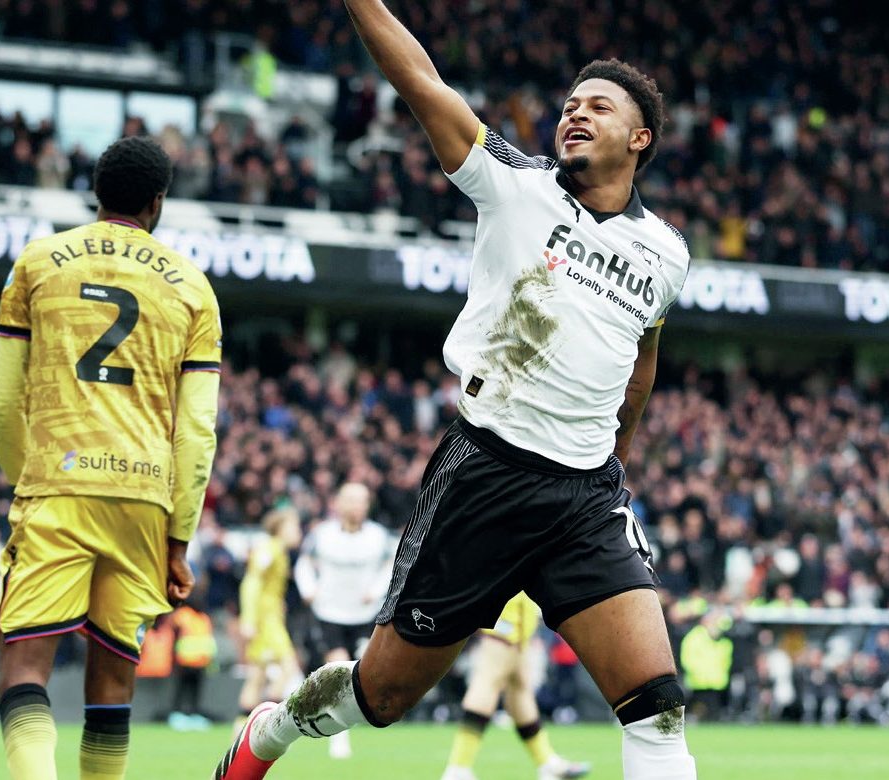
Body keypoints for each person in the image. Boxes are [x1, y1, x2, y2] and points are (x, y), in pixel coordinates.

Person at [215, 1, 695, 777]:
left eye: (597, 107)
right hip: (486, 477)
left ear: (639, 138)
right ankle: (269, 732)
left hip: (586, 500)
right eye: (569, 105)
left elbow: (641, 360)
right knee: (381, 696)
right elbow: (419, 80)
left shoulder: (665, 252)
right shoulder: (515, 184)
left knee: (657, 708)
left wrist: (618, 468)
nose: (574, 114)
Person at [0, 135, 222, 780]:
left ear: (97, 193)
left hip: (57, 484)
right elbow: (197, 430)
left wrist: (28, 482)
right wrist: (180, 537)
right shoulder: (193, 288)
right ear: (157, 200)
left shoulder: (38, 262)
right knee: (113, 682)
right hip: (145, 496)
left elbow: (2, 403)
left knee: (22, 669)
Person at [294, 482, 396, 759]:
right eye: (350, 500)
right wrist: (309, 589)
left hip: (365, 615)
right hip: (330, 613)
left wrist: (376, 590)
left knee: (367, 671)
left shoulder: (378, 536)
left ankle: (369, 719)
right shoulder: (321, 535)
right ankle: (339, 736)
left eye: (361, 500)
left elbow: (392, 566)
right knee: (338, 670)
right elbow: (303, 563)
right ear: (337, 504)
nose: (355, 506)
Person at [441, 593, 591, 780]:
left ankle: (547, 763)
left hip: (517, 628)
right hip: (506, 626)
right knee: (486, 683)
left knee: (519, 692)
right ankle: (458, 768)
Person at [238, 507, 304, 725]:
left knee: (257, 676)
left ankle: (239, 735)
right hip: (266, 620)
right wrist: (248, 619)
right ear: (281, 528)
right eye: (294, 526)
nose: (298, 531)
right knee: (289, 667)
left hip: (270, 616)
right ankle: (267, 724)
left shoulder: (279, 551)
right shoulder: (270, 548)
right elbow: (251, 581)